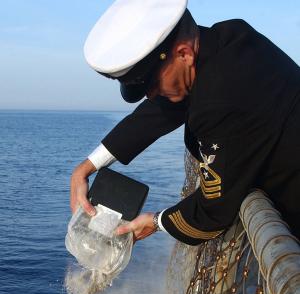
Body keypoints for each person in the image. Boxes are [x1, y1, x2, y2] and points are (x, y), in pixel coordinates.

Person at [70, 0, 300, 245]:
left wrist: (156, 222)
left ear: (184, 53)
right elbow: (160, 110)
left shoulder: (221, 98)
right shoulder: (228, 39)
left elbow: (214, 212)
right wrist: (86, 167)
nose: (150, 95)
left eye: (153, 85)